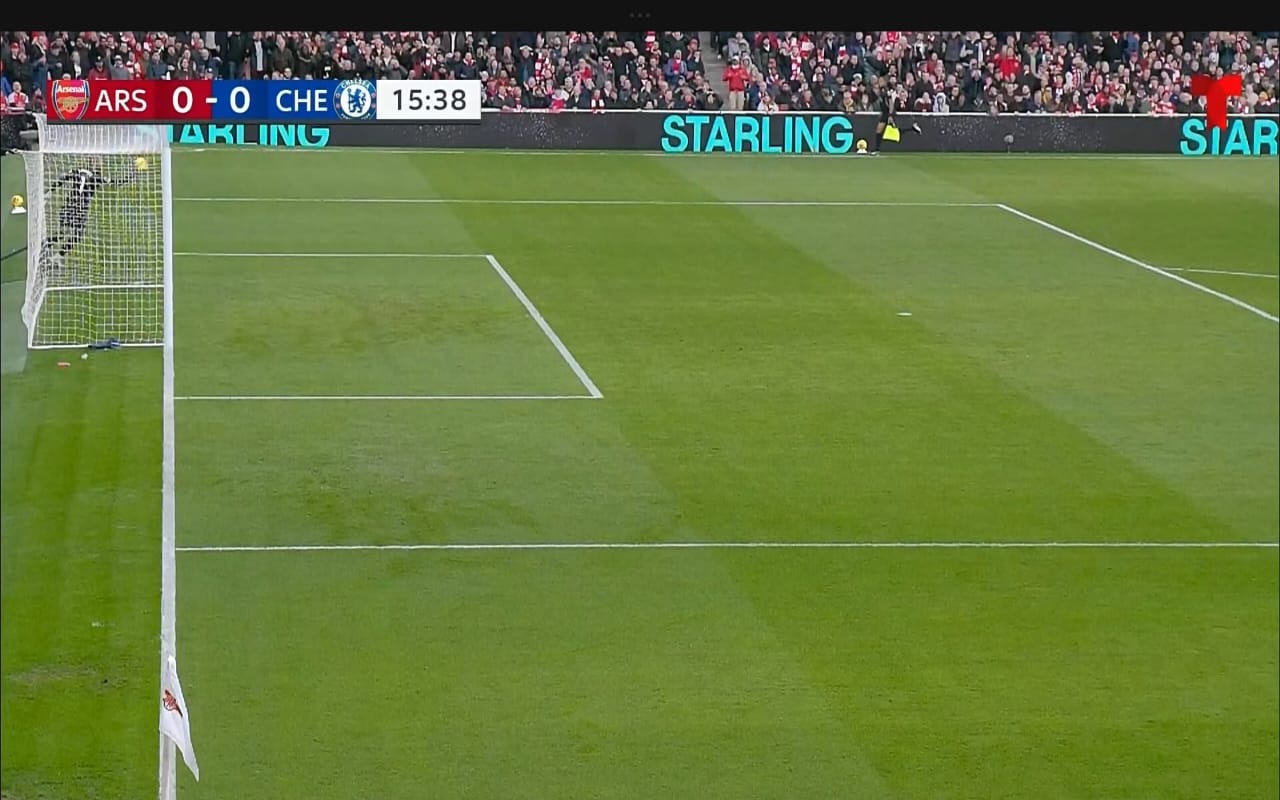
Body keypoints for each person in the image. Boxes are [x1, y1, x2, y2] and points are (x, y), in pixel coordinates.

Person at [42, 160, 136, 268]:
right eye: (98, 162)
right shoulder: (96, 178)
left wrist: (49, 193)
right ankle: (53, 254)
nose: (101, 164)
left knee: (64, 234)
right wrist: (130, 176)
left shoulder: (77, 172)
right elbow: (117, 182)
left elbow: (62, 179)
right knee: (74, 236)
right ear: (93, 165)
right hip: (77, 209)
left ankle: (49, 250)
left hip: (71, 207)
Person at [871, 87, 923, 155]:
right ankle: (876, 149)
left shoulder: (886, 94)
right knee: (887, 130)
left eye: (876, 89)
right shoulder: (878, 96)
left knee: (888, 130)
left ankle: (876, 149)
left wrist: (890, 115)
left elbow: (891, 104)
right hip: (886, 113)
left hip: (888, 114)